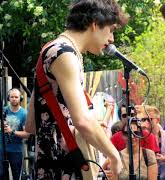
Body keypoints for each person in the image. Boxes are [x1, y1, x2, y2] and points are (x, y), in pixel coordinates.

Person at [25, 0, 127, 178]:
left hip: (50, 165)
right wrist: (114, 154)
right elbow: (82, 120)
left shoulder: (52, 50)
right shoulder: (65, 54)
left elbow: (31, 124)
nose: (112, 39)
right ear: (95, 24)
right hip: (64, 166)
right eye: (111, 30)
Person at [0, 88, 30, 180]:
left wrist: (12, 131)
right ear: (8, 98)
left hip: (16, 150)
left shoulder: (24, 113)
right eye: (11, 97)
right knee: (1, 175)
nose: (13, 99)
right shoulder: (3, 111)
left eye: (16, 97)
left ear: (20, 98)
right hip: (2, 149)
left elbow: (27, 134)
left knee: (16, 175)